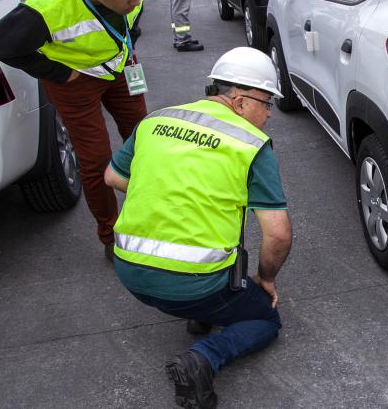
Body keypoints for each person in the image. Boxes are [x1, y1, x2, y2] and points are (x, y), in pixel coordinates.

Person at [105, 47, 293, 409]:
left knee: (201, 262)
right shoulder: (250, 144)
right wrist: (265, 279)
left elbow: (113, 176)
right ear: (239, 101)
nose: (269, 114)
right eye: (266, 103)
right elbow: (278, 233)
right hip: (195, 282)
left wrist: (165, 191)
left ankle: (200, 314)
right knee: (266, 319)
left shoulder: (157, 120)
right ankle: (204, 357)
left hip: (129, 272)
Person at [0, 0, 156, 261]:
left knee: (144, 138)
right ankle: (111, 234)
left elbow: (133, 15)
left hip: (120, 67)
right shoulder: (47, 7)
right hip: (75, 83)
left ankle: (150, 213)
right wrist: (60, 72)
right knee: (95, 160)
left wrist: (128, 41)